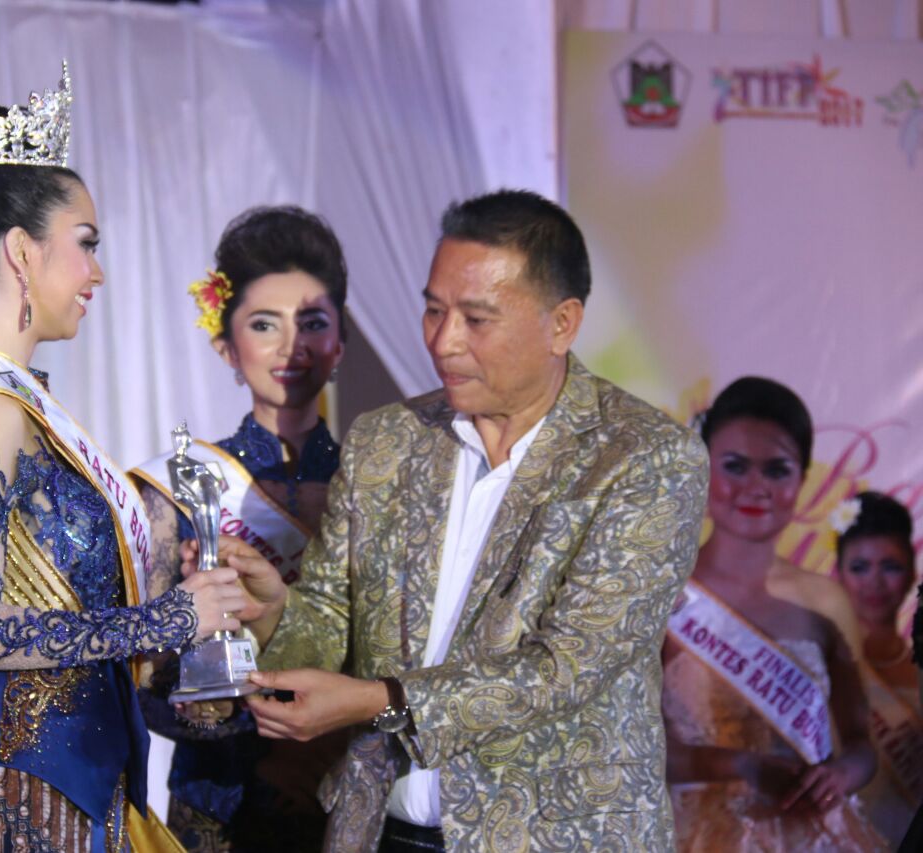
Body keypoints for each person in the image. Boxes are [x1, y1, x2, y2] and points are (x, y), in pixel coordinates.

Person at [204, 189, 711, 851]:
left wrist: (378, 700)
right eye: (434, 310)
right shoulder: (387, 441)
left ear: (562, 324)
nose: (444, 341)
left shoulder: (644, 457)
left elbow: (564, 668)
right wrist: (274, 611)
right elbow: (331, 621)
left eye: (477, 318)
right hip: (379, 832)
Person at [0, 66, 244, 852]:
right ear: (20, 250)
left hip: (58, 793)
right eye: (85, 243)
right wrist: (168, 617)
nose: (96, 271)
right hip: (4, 806)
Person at [130, 206, 346, 852]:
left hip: (348, 789)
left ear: (340, 341)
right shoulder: (179, 487)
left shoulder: (381, 482)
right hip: (218, 800)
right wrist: (241, 716)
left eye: (313, 323)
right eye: (264, 324)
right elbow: (144, 677)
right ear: (226, 344)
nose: (291, 347)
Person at [662, 377, 886, 851]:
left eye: (777, 470)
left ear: (801, 480)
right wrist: (741, 766)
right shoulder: (660, 590)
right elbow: (625, 746)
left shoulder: (826, 602)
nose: (756, 487)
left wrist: (841, 774)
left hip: (813, 833)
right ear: (703, 466)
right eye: (735, 466)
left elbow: (861, 744)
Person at [832, 491, 923, 846]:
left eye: (890, 566)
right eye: (859, 567)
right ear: (838, 573)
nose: (874, 582)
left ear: (912, 573)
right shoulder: (818, 662)